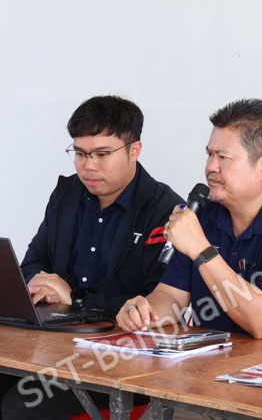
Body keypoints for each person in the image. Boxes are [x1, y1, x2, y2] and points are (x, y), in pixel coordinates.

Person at [1, 95, 181, 419]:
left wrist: (75, 300)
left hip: (120, 361)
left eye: (102, 154)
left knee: (22, 407)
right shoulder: (66, 194)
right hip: (53, 345)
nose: (89, 165)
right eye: (80, 153)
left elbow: (154, 307)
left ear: (134, 150)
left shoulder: (164, 210)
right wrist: (41, 286)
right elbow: (32, 264)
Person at [115, 98, 262, 344]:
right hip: (211, 363)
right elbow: (171, 296)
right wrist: (143, 312)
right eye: (209, 154)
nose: (211, 167)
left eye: (223, 157)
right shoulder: (204, 215)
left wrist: (201, 249)